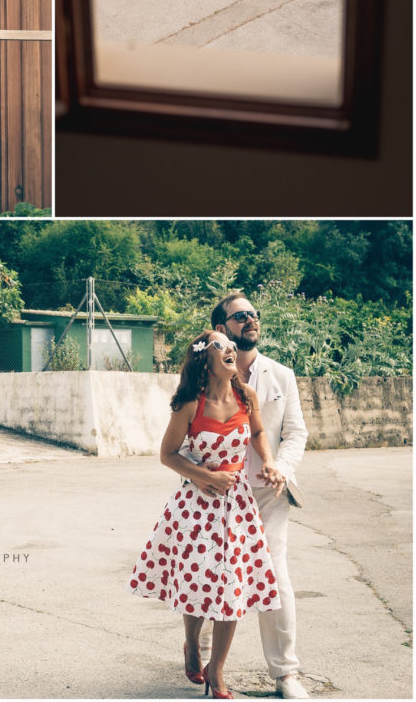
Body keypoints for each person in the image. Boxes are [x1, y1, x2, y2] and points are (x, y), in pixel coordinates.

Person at [128, 330, 286, 699]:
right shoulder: (189, 404)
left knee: (231, 587)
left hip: (237, 507)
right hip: (196, 508)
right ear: (204, 359)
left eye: (230, 345)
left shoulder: (247, 396)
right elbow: (168, 455)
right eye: (220, 346)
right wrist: (207, 476)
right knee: (199, 584)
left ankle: (216, 673)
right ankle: (191, 644)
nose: (230, 349)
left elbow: (259, 432)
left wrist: (269, 461)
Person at [211, 293, 309, 699]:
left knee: (274, 577)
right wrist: (204, 475)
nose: (251, 319)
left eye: (253, 314)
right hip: (217, 492)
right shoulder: (207, 373)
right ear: (222, 329)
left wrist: (281, 469)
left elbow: (296, 433)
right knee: (212, 575)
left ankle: (286, 674)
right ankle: (203, 662)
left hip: (268, 493)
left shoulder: (281, 374)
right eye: (240, 316)